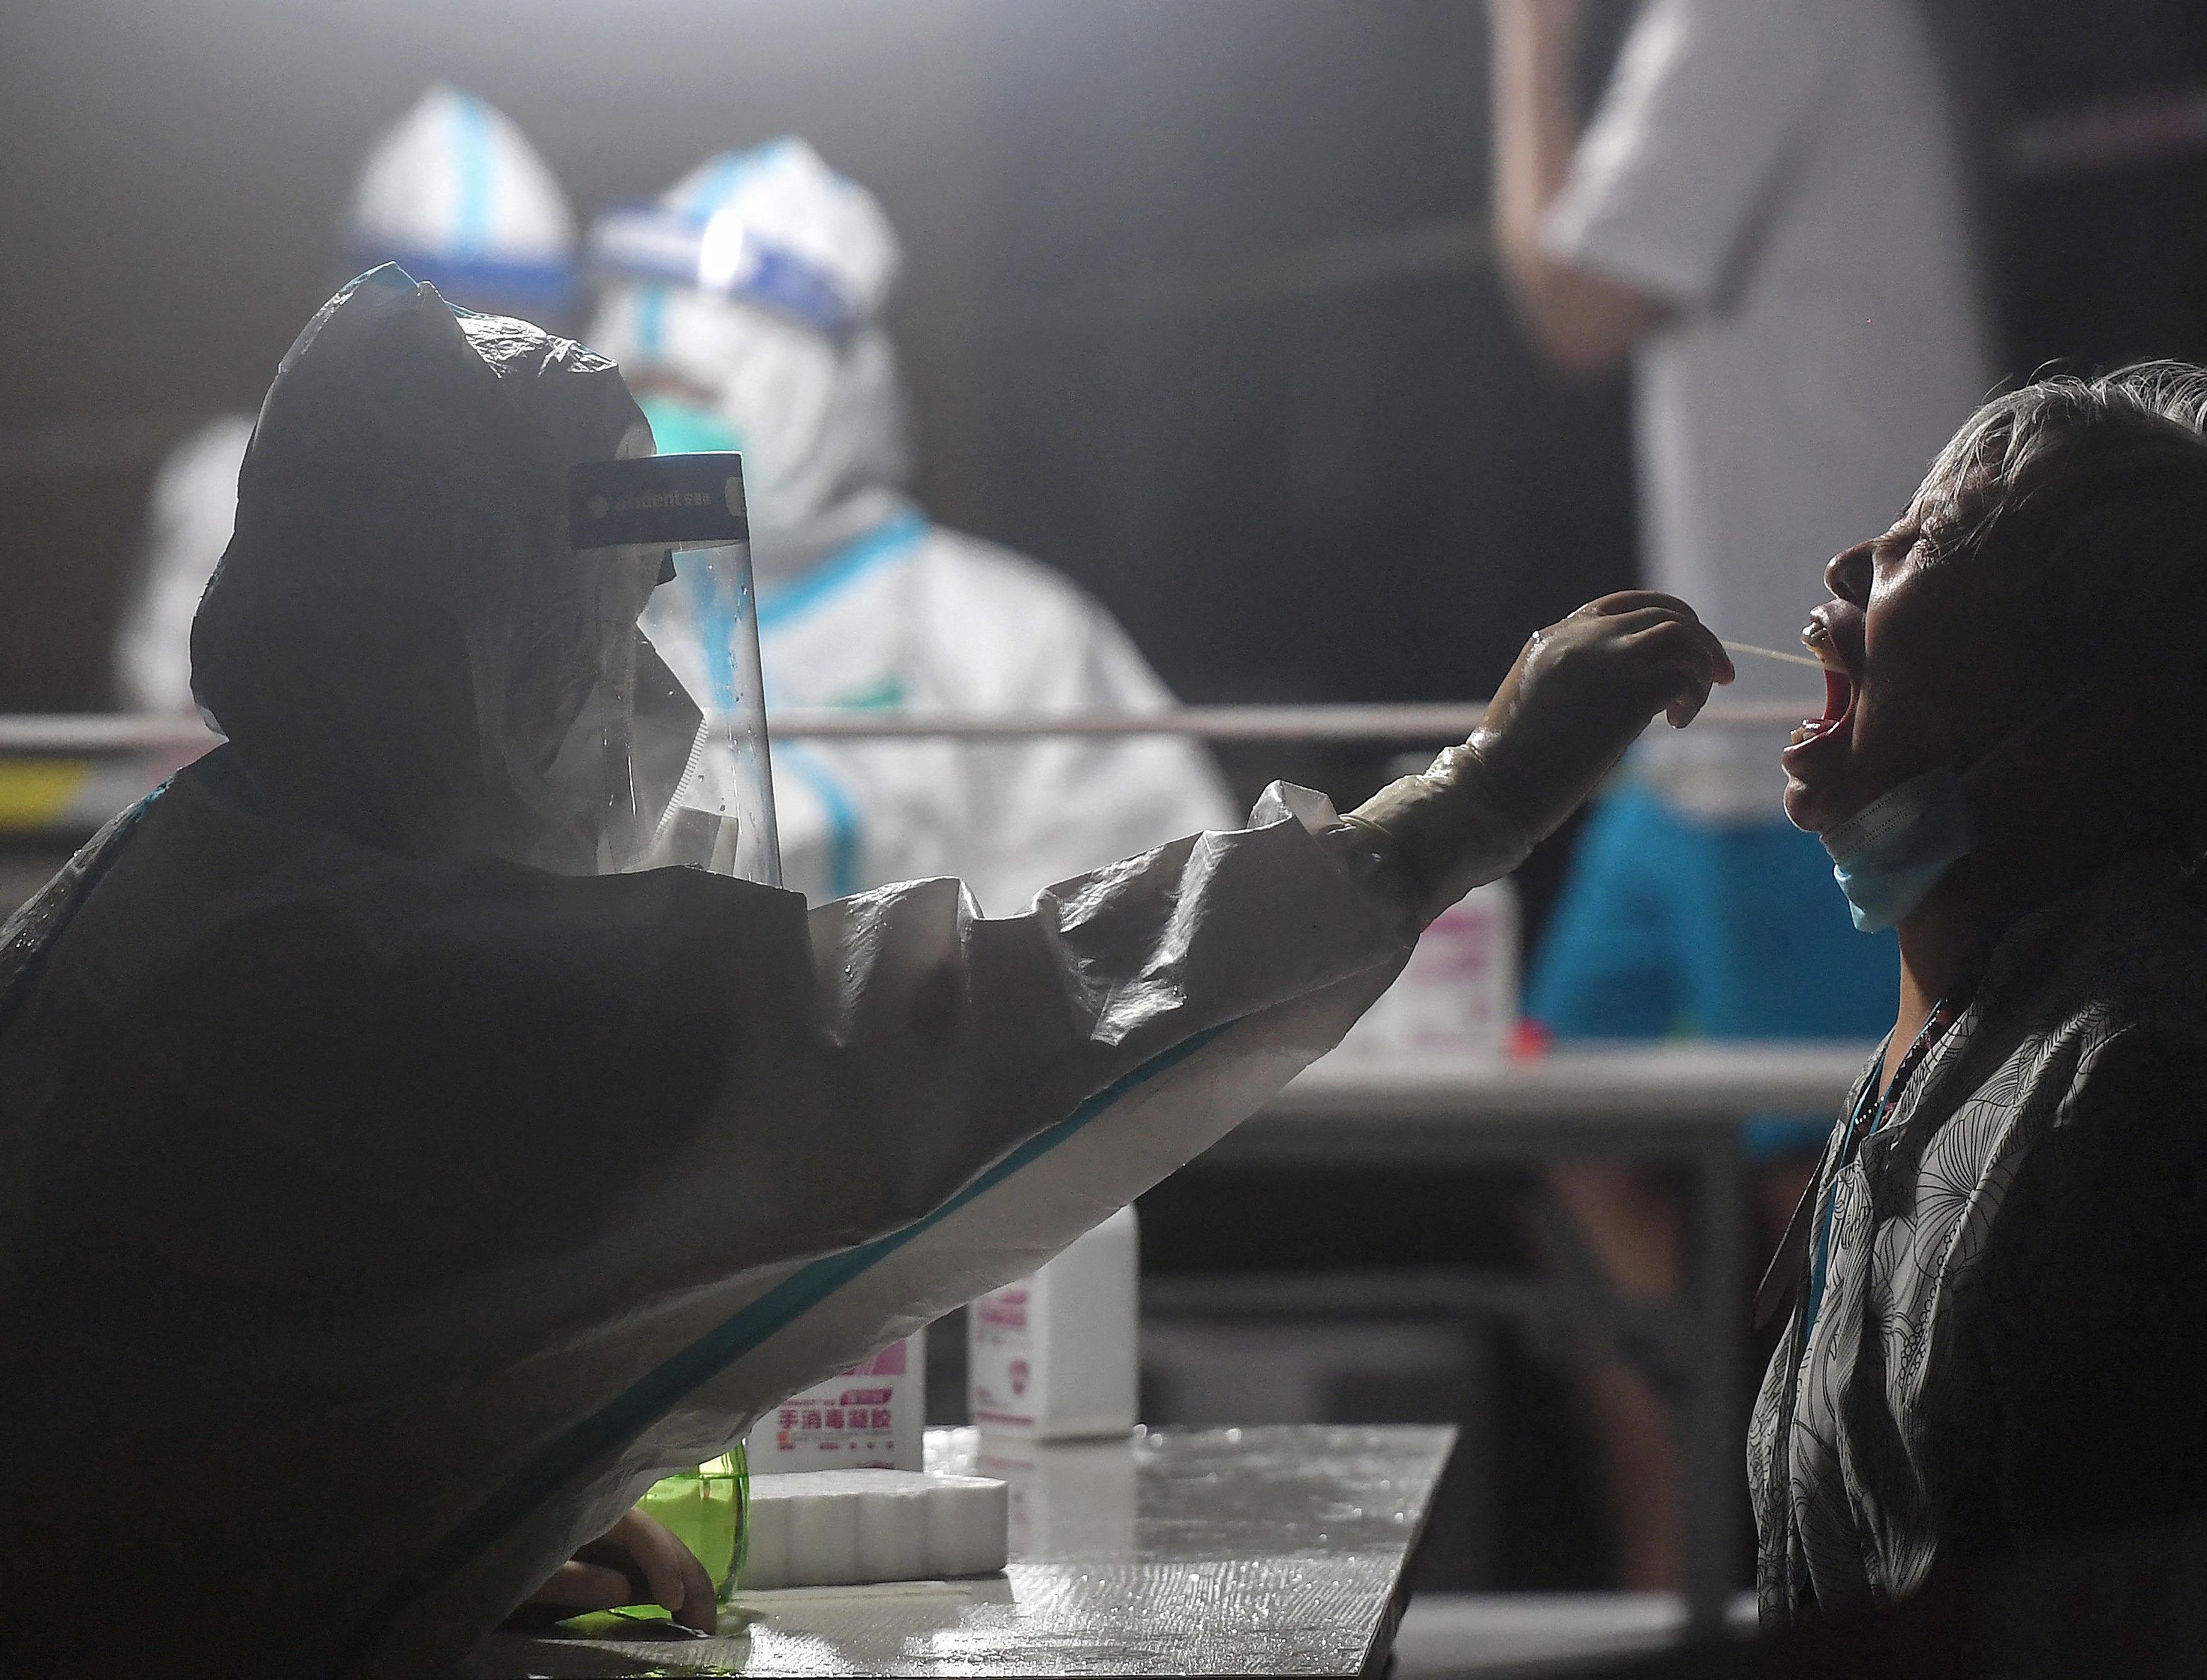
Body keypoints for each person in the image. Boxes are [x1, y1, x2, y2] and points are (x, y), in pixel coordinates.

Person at [0, 268, 1736, 1679]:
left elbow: (231, 1412)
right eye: (612, 635)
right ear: (478, 644)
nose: (657, 709)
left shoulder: (200, 878)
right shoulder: (382, 975)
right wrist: (1453, 815)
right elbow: (944, 1037)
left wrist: (399, 1511)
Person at [1488, 0, 1994, 1587]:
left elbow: (1570, 302)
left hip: (1825, 704)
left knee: (1836, 1197)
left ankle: (1835, 1611)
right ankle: (1678, 1595)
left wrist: (1526, 48)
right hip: (1715, 723)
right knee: (1572, 1135)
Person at [1750, 363, 2207, 1620]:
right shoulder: (1959, 1043)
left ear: (2073, 719)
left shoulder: (2129, 1094)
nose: (1848, 560)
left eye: (1932, 536)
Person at [582, 138, 1236, 913]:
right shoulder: (551, 620)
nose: (666, 432)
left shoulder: (1008, 635)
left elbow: (1149, 931)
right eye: (643, 390)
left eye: (697, 393)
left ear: (845, 393)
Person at [113, 84, 579, 721]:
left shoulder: (583, 499)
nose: (472, 347)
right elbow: (171, 721)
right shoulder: (232, 486)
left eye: (507, 315)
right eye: (434, 313)